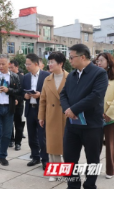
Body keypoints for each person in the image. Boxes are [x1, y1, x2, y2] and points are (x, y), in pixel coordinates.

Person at [60, 44, 108, 189]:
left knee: (92, 159)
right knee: (69, 157)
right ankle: (73, 185)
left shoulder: (99, 73)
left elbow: (96, 96)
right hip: (72, 125)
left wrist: (74, 109)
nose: (69, 60)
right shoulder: (72, 75)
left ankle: (90, 184)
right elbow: (63, 94)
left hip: (92, 126)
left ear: (82, 57)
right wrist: (67, 109)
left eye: (71, 57)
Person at [38, 52, 69, 182]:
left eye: (52, 62)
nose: (49, 64)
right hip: (51, 116)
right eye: (49, 62)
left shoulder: (70, 77)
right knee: (52, 146)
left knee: (68, 146)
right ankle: (55, 172)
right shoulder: (47, 79)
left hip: (67, 115)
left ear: (60, 64)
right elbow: (43, 100)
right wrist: (41, 116)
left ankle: (67, 172)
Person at [23, 53, 50, 170]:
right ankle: (35, 157)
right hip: (30, 109)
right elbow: (21, 92)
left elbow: (52, 93)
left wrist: (41, 95)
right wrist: (25, 96)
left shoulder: (47, 76)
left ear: (36, 64)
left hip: (42, 110)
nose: (27, 66)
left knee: (42, 136)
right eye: (26, 64)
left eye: (28, 64)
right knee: (32, 136)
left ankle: (45, 160)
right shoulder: (26, 77)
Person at [96, 52, 114, 179]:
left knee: (110, 145)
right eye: (97, 60)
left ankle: (110, 170)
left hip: (110, 117)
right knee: (94, 145)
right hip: (95, 115)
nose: (98, 62)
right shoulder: (94, 76)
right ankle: (94, 168)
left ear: (108, 61)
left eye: (101, 60)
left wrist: (109, 113)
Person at [9, 60, 24, 151]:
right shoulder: (8, 76)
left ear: (17, 67)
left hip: (19, 105)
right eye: (9, 67)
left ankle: (18, 143)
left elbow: (23, 91)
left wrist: (18, 100)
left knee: (18, 124)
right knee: (9, 123)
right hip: (9, 104)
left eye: (12, 67)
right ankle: (11, 139)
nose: (10, 69)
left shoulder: (22, 78)